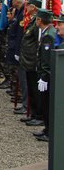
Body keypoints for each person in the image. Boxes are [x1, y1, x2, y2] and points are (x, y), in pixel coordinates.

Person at [32, 9, 56, 142]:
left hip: (46, 76)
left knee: (47, 105)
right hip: (45, 73)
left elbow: (46, 59)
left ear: (40, 20)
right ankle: (47, 129)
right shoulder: (48, 32)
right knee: (45, 104)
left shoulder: (48, 35)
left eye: (37, 18)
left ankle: (49, 131)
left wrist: (44, 77)